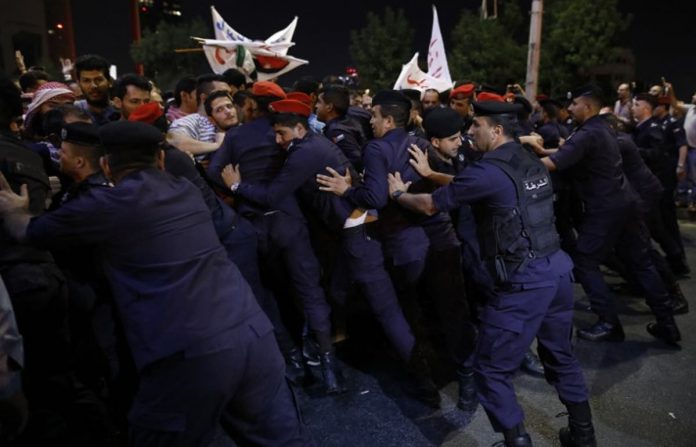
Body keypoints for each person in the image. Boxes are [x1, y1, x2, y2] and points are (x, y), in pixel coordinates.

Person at [0, 120, 314, 447]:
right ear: (161, 160)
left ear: (106, 166)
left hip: (189, 351)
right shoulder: (186, 191)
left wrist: (15, 211)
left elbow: (31, 232)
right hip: (252, 334)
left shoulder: (108, 205)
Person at [385, 100, 595, 447]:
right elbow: (474, 184)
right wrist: (432, 175)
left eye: (476, 126)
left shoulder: (488, 170)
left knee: (491, 370)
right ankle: (583, 436)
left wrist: (398, 194)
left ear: (496, 131)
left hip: (524, 282)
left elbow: (430, 205)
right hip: (557, 272)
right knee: (561, 356)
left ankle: (516, 441)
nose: (470, 132)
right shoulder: (527, 160)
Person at [221, 98, 440, 405]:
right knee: (337, 292)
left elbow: (273, 194)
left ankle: (424, 382)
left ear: (300, 129)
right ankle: (329, 350)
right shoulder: (314, 145)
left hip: (358, 236)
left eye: (282, 133)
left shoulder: (305, 152)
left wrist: (236, 187)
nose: (277, 140)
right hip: (355, 235)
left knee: (388, 312)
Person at [539, 85, 681, 345]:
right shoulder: (603, 128)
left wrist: (515, 160)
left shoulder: (588, 133)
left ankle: (608, 322)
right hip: (626, 202)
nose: (570, 108)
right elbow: (571, 153)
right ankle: (667, 323)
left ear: (588, 107)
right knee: (642, 262)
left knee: (585, 261)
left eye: (575, 104)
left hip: (605, 207)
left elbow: (553, 164)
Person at [315, 85, 367, 171]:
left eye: (319, 102)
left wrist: (339, 173)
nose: (316, 106)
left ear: (329, 107)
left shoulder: (337, 131)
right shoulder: (347, 123)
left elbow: (355, 159)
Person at [73, 54, 119, 125]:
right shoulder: (74, 113)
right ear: (79, 83)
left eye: (98, 80)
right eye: (86, 81)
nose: (93, 86)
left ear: (110, 81)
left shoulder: (121, 112)